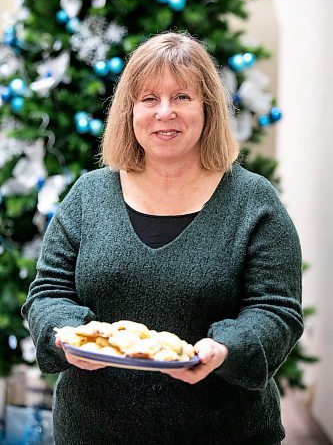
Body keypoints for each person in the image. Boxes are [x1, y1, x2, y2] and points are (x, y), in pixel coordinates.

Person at [22, 32, 303, 445]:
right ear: (129, 111)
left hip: (224, 432)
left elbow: (277, 310)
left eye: (182, 97)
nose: (164, 112)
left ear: (207, 107)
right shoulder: (89, 194)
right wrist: (70, 335)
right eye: (149, 98)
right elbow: (47, 292)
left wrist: (224, 349)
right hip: (92, 431)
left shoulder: (253, 200)